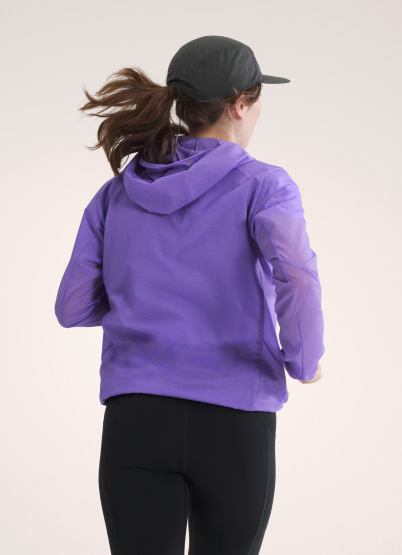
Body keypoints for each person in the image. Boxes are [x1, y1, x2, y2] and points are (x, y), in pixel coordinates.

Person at [54, 35, 325, 555]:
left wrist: (141, 297)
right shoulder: (265, 186)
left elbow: (72, 306)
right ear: (240, 104)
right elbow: (297, 276)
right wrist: (304, 360)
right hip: (235, 420)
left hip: (136, 418)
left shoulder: (117, 192)